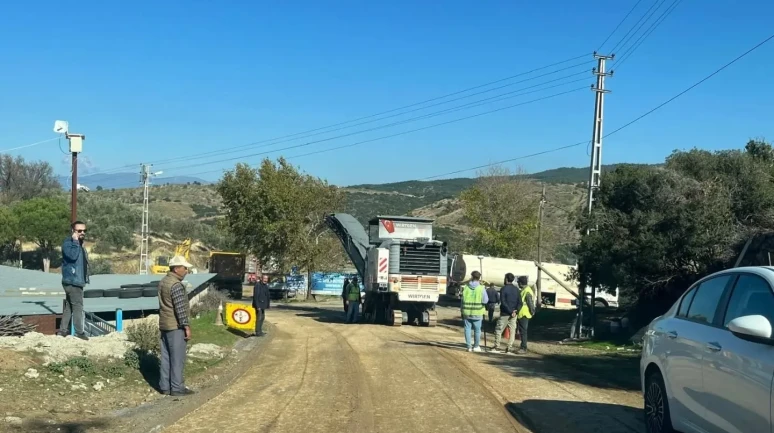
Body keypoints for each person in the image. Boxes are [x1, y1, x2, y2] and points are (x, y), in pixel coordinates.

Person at [158, 255, 195, 396]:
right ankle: (177, 388)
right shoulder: (176, 285)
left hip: (164, 324)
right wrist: (186, 327)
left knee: (166, 357)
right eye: (184, 268)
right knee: (177, 358)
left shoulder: (163, 282)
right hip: (175, 326)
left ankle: (165, 387)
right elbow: (180, 309)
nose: (186, 270)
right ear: (176, 269)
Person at [58, 220, 90, 340]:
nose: (82, 233)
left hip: (76, 280)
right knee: (78, 306)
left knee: (69, 306)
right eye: (79, 230)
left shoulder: (79, 244)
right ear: (73, 231)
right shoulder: (69, 243)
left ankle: (62, 330)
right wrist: (76, 241)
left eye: (84, 230)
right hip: (72, 280)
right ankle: (79, 332)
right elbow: (72, 256)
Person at [490, 273, 522, 354]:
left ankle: (497, 345)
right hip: (514, 314)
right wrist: (516, 311)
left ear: (506, 279)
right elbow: (520, 303)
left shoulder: (503, 289)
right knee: (512, 331)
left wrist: (510, 311)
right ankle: (509, 347)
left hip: (505, 313)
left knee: (499, 329)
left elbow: (503, 302)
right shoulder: (517, 289)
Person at [460, 271, 489, 352]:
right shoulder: (481, 288)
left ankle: (469, 346)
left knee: (467, 329)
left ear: (471, 277)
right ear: (479, 278)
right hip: (478, 312)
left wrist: (461, 311)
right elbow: (485, 301)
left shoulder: (466, 287)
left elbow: (462, 301)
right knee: (477, 330)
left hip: (467, 312)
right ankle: (476, 346)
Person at [516, 275, 536, 354]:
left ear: (521, 283)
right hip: (523, 313)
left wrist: (532, 311)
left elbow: (529, 302)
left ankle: (523, 348)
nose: (517, 284)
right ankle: (522, 346)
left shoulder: (527, 291)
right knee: (522, 331)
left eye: (518, 282)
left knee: (523, 331)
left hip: (524, 313)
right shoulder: (525, 290)